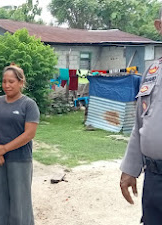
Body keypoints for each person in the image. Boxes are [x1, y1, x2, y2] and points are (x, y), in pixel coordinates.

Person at [120, 8, 162, 225]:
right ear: (159, 26)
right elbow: (139, 123)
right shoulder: (152, 72)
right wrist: (130, 169)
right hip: (154, 178)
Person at [0, 64, 40, 225]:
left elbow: (29, 134)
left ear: (21, 83)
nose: (7, 85)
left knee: (19, 202)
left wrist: (4, 149)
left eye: (11, 81)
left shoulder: (28, 105)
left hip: (20, 159)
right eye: (4, 81)